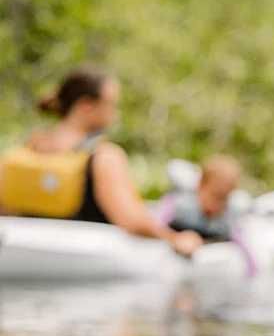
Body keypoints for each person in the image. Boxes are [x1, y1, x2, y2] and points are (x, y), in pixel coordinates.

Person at [0, 66, 202, 256]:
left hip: (23, 257)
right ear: (86, 106)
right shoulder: (104, 157)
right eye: (111, 104)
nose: (115, 114)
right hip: (86, 266)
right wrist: (174, 238)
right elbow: (132, 221)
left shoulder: (26, 150)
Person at [156, 155, 242, 242]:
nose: (217, 205)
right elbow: (154, 227)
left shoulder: (229, 217)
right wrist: (175, 238)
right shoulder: (179, 203)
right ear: (200, 185)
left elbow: (243, 242)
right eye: (214, 196)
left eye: (224, 199)